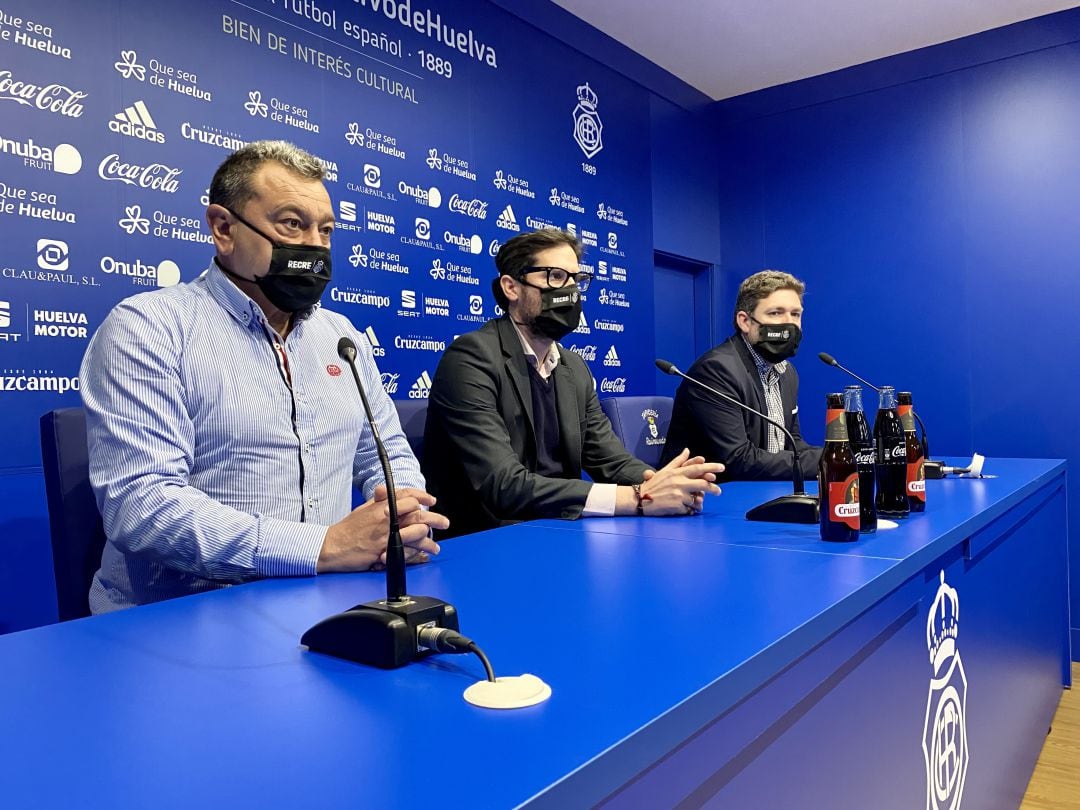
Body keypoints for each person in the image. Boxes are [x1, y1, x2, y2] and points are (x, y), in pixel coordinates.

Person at [80, 140, 446, 613]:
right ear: (223, 228)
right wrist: (322, 547)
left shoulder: (342, 336)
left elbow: (387, 452)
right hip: (184, 617)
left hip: (330, 602)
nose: (314, 247)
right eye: (293, 224)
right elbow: (143, 506)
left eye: (327, 230)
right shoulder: (148, 328)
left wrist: (401, 517)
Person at [423, 228, 723, 538]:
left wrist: (660, 482)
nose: (569, 291)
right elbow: (503, 485)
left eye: (575, 280)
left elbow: (609, 459)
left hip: (559, 530)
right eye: (554, 276)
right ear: (511, 287)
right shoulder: (471, 358)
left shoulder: (573, 367)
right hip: (487, 541)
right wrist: (639, 498)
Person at [662, 270, 822, 480]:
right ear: (745, 321)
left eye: (795, 314)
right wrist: (828, 461)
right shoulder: (716, 371)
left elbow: (791, 442)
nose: (789, 324)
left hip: (763, 489)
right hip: (709, 499)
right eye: (775, 313)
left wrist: (845, 456)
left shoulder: (787, 372)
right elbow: (738, 459)